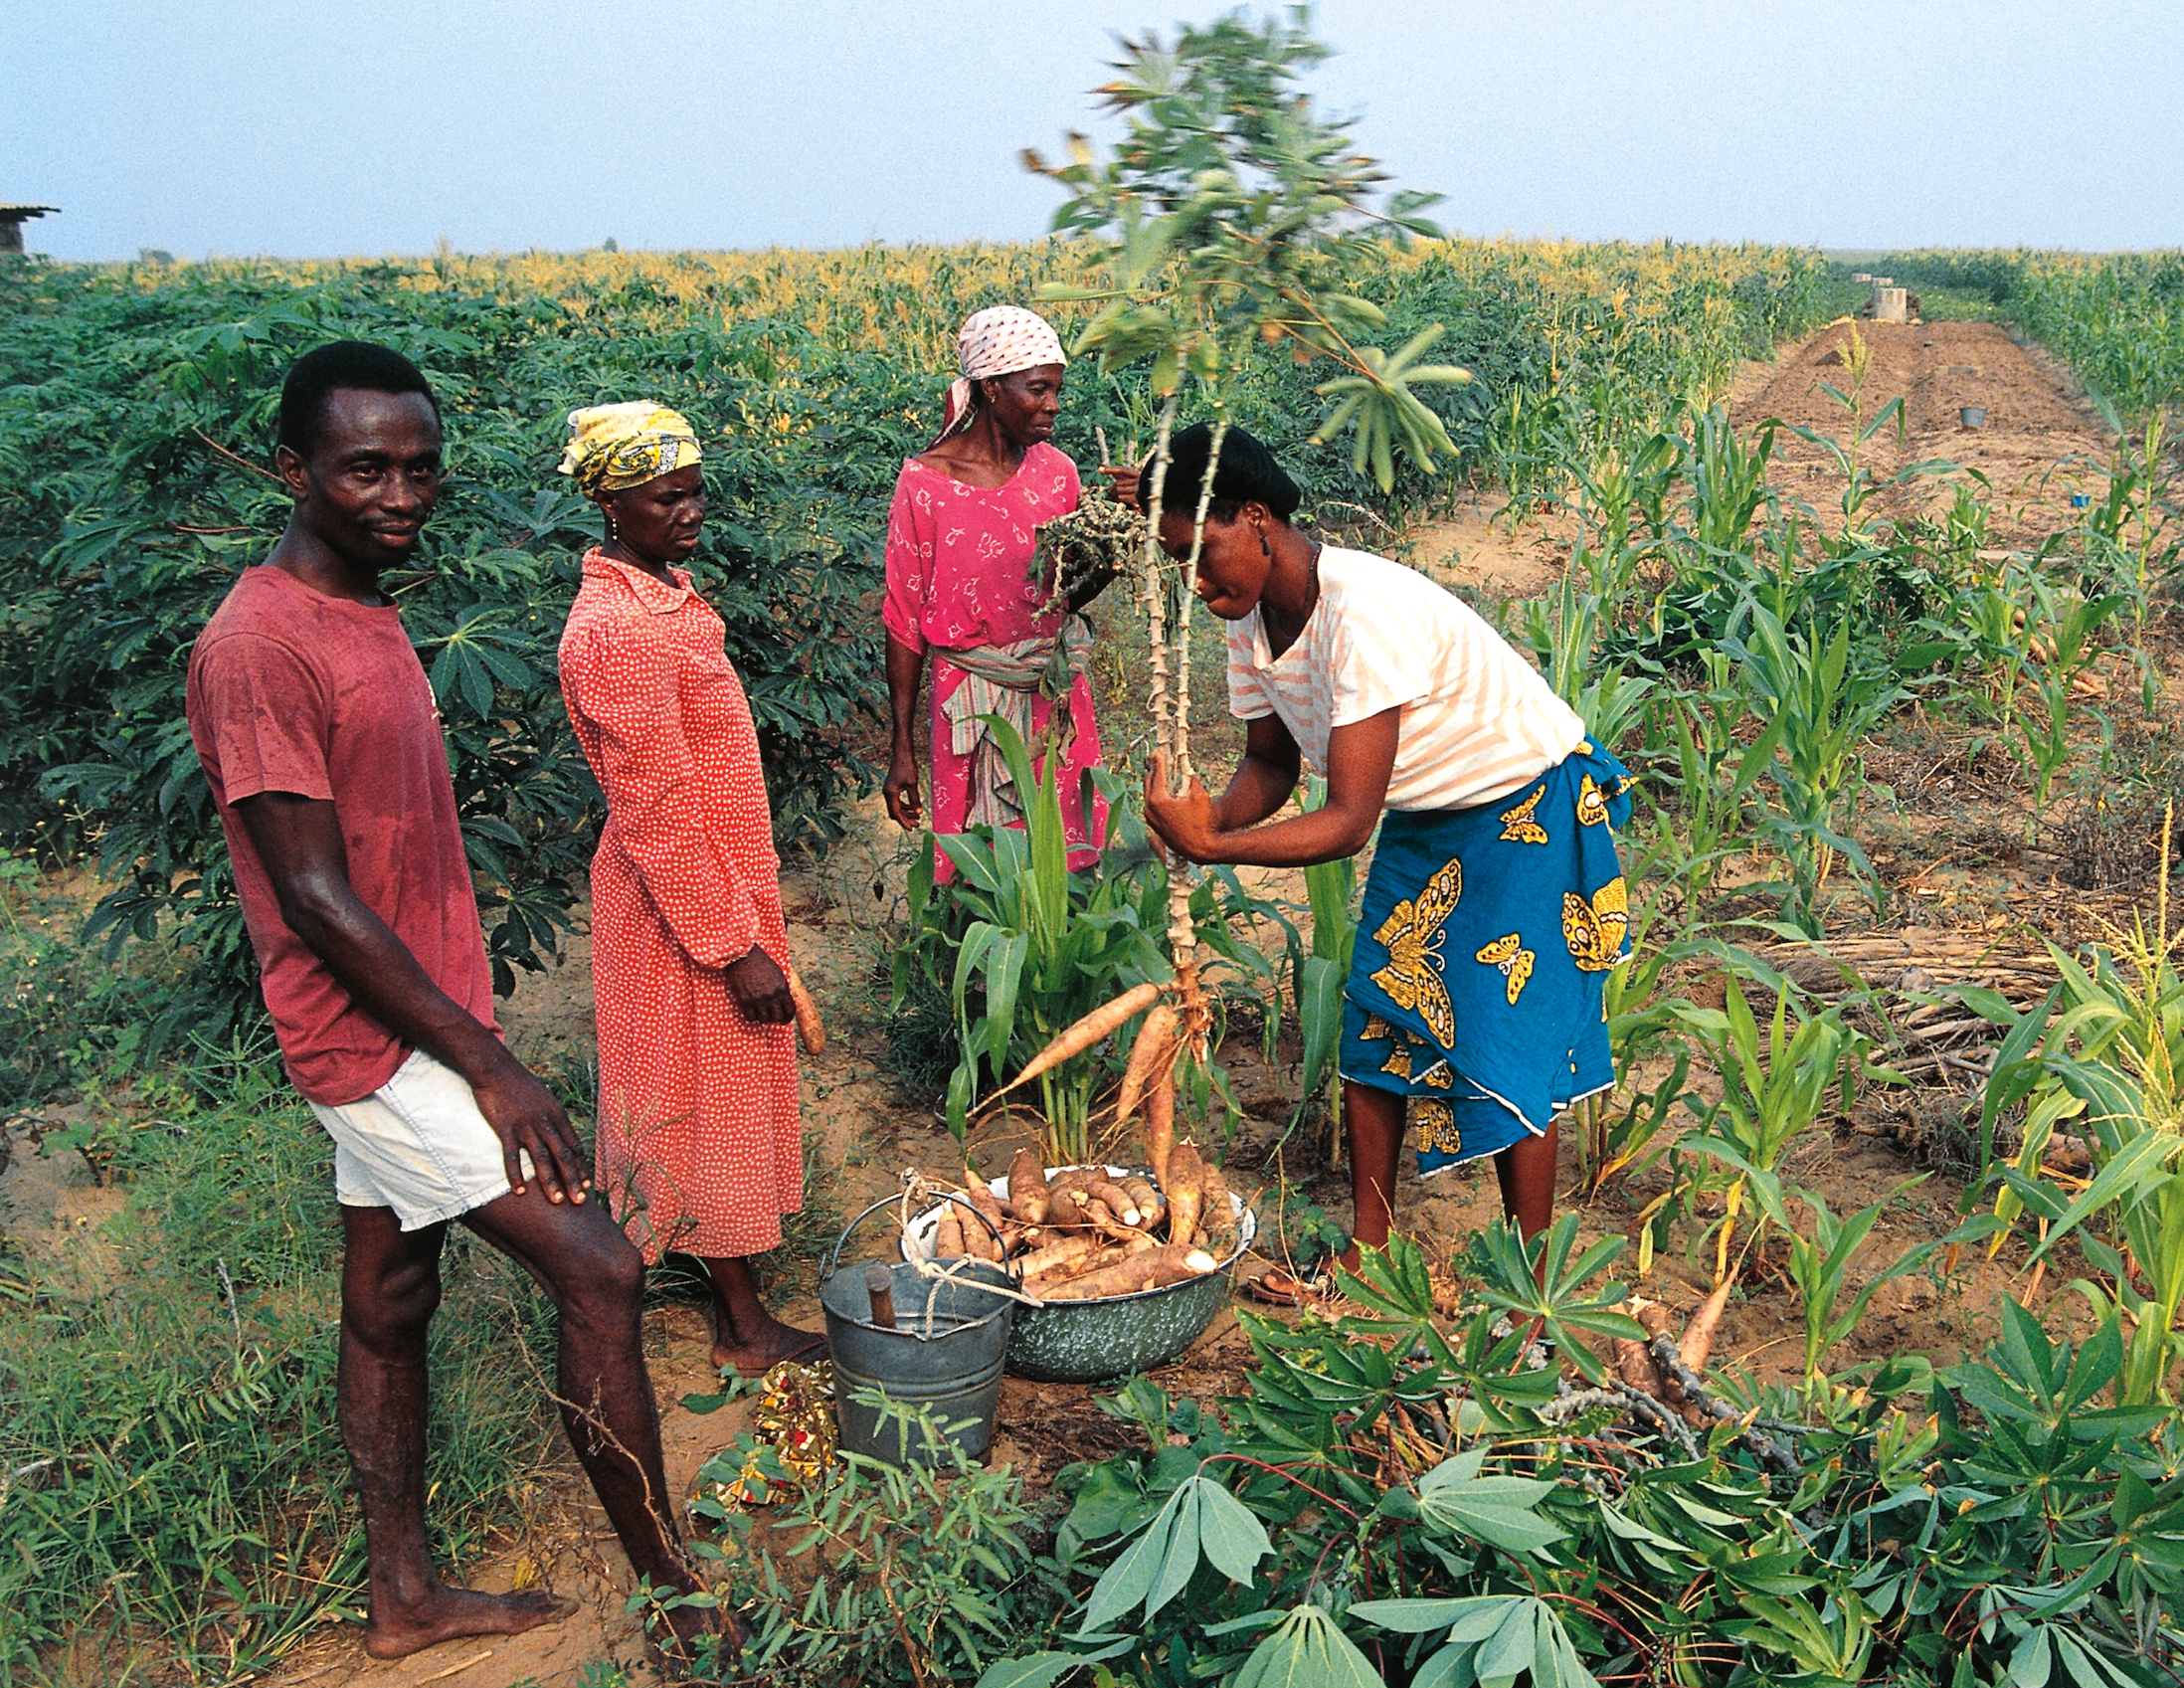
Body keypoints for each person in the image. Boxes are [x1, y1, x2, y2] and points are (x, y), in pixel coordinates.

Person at [185, 344, 727, 1662]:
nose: (400, 492)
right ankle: (682, 1611)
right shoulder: (258, 645)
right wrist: (491, 1062)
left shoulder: (356, 608)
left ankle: (404, 1597)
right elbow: (315, 897)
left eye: (419, 467)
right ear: (293, 468)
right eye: (366, 467)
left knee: (390, 1292)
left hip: (406, 1016)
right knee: (597, 1265)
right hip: (371, 1041)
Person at [1135, 425, 1632, 1304]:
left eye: (1201, 552)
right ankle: (1371, 1253)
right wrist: (1202, 819)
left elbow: (1347, 821)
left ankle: (1534, 1289)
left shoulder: (1359, 612)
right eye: (1178, 560)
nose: (1194, 580)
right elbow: (1273, 766)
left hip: (1525, 806)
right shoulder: (1250, 618)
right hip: (1429, 811)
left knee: (1502, 1044)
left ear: (1256, 518)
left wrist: (1213, 845)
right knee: (1379, 1020)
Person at [555, 401, 819, 1375]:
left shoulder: (663, 595)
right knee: (689, 1100)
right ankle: (736, 1325)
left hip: (713, 887)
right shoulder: (618, 629)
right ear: (609, 501)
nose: (690, 510)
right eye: (665, 496)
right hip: (680, 904)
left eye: (695, 490)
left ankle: (718, 1297)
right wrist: (733, 944)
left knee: (716, 1094)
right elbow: (656, 809)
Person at [881, 304, 1132, 876]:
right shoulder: (924, 485)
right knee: (980, 863)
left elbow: (1063, 595)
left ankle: (1061, 962)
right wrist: (902, 748)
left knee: (1066, 856)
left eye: (1057, 390)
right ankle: (978, 964)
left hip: (1052, 687)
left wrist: (1117, 539)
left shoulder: (1058, 472)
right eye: (1038, 389)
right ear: (992, 387)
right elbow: (903, 618)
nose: (1053, 405)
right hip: (971, 705)